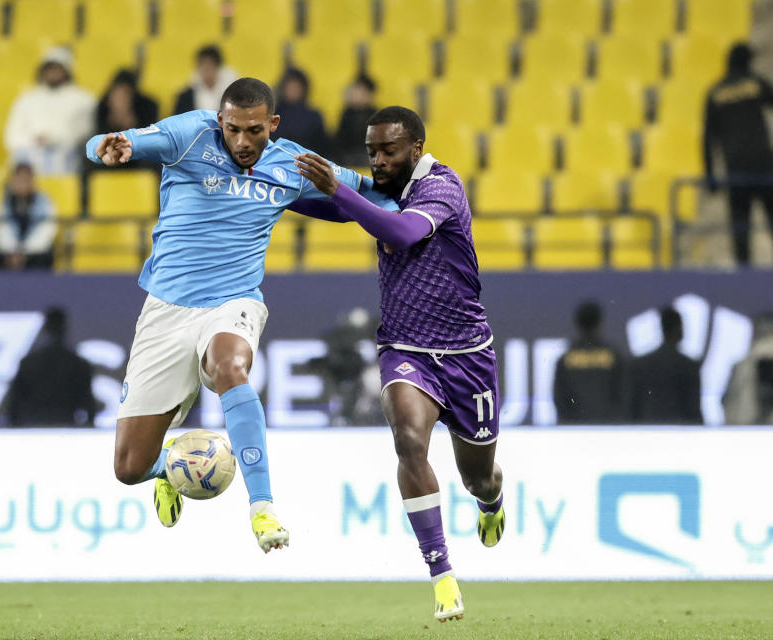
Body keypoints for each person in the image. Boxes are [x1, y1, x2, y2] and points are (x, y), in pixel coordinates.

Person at [86, 77, 394, 553]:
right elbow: (119, 143)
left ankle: (262, 507)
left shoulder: (292, 162)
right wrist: (107, 147)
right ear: (220, 121)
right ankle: (173, 462)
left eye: (254, 131)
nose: (243, 141)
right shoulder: (188, 134)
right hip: (166, 310)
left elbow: (370, 194)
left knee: (230, 366)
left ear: (272, 124)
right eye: (233, 129)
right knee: (128, 468)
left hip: (234, 300)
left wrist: (423, 206)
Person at [293, 106, 505, 623]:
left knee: (478, 477)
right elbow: (338, 210)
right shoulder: (385, 189)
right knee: (409, 439)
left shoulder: (443, 188)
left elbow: (404, 233)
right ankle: (442, 574)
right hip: (405, 349)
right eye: (371, 152)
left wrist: (340, 190)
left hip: (467, 356)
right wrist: (272, 196)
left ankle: (491, 501)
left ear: (415, 148)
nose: (379, 160)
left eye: (388, 151)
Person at [703, 42, 773, 267]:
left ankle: (743, 272)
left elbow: (707, 139)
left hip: (735, 167)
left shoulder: (716, 92)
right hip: (763, 164)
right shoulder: (754, 83)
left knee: (740, 223)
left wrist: (710, 175)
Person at [4, 46, 96, 175]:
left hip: (66, 155)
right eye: (49, 68)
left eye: (57, 68)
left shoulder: (83, 99)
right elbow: (12, 135)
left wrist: (54, 139)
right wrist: (34, 141)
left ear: (66, 70)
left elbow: (85, 131)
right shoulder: (26, 99)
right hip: (30, 154)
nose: (53, 73)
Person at [8, 307, 97, 427]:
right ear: (64, 328)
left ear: (45, 328)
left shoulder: (28, 363)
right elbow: (90, 407)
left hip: (35, 430)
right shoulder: (78, 364)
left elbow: (14, 407)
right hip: (66, 429)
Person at [553, 301, 628, 424]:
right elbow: (624, 395)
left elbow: (559, 400)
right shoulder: (614, 356)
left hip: (575, 429)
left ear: (577, 324)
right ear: (599, 323)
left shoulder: (566, 359)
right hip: (608, 429)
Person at [629, 307, 702, 424]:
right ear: (678, 328)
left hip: (647, 432)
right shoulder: (688, 365)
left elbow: (633, 407)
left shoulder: (641, 364)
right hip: (679, 435)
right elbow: (694, 409)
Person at [0, 163, 57, 271]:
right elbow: (2, 229)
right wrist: (13, 251)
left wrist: (24, 252)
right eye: (19, 179)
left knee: (43, 259)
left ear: (32, 181)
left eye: (26, 179)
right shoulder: (6, 202)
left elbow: (47, 230)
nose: (22, 183)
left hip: (35, 254)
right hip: (11, 255)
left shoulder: (44, 202)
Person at [94, 70, 161, 172]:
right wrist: (113, 122)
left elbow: (151, 138)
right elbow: (100, 136)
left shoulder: (148, 106)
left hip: (138, 154)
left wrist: (131, 125)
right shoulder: (103, 107)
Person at [724, 313, 773, 424]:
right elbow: (730, 405)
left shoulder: (742, 365)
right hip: (744, 430)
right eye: (761, 335)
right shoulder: (742, 366)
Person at [273, 67, 329, 156]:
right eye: (289, 87)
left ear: (304, 89)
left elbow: (322, 147)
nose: (292, 91)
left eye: (296, 87)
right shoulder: (274, 115)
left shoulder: (314, 116)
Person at [173, 45, 237, 115]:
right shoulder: (186, 97)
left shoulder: (233, 96)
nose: (206, 69)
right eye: (203, 65)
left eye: (210, 65)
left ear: (218, 67)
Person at [333, 75, 378, 166]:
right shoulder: (347, 113)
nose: (356, 94)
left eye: (361, 91)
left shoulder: (376, 114)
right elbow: (340, 140)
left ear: (369, 94)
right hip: (348, 157)